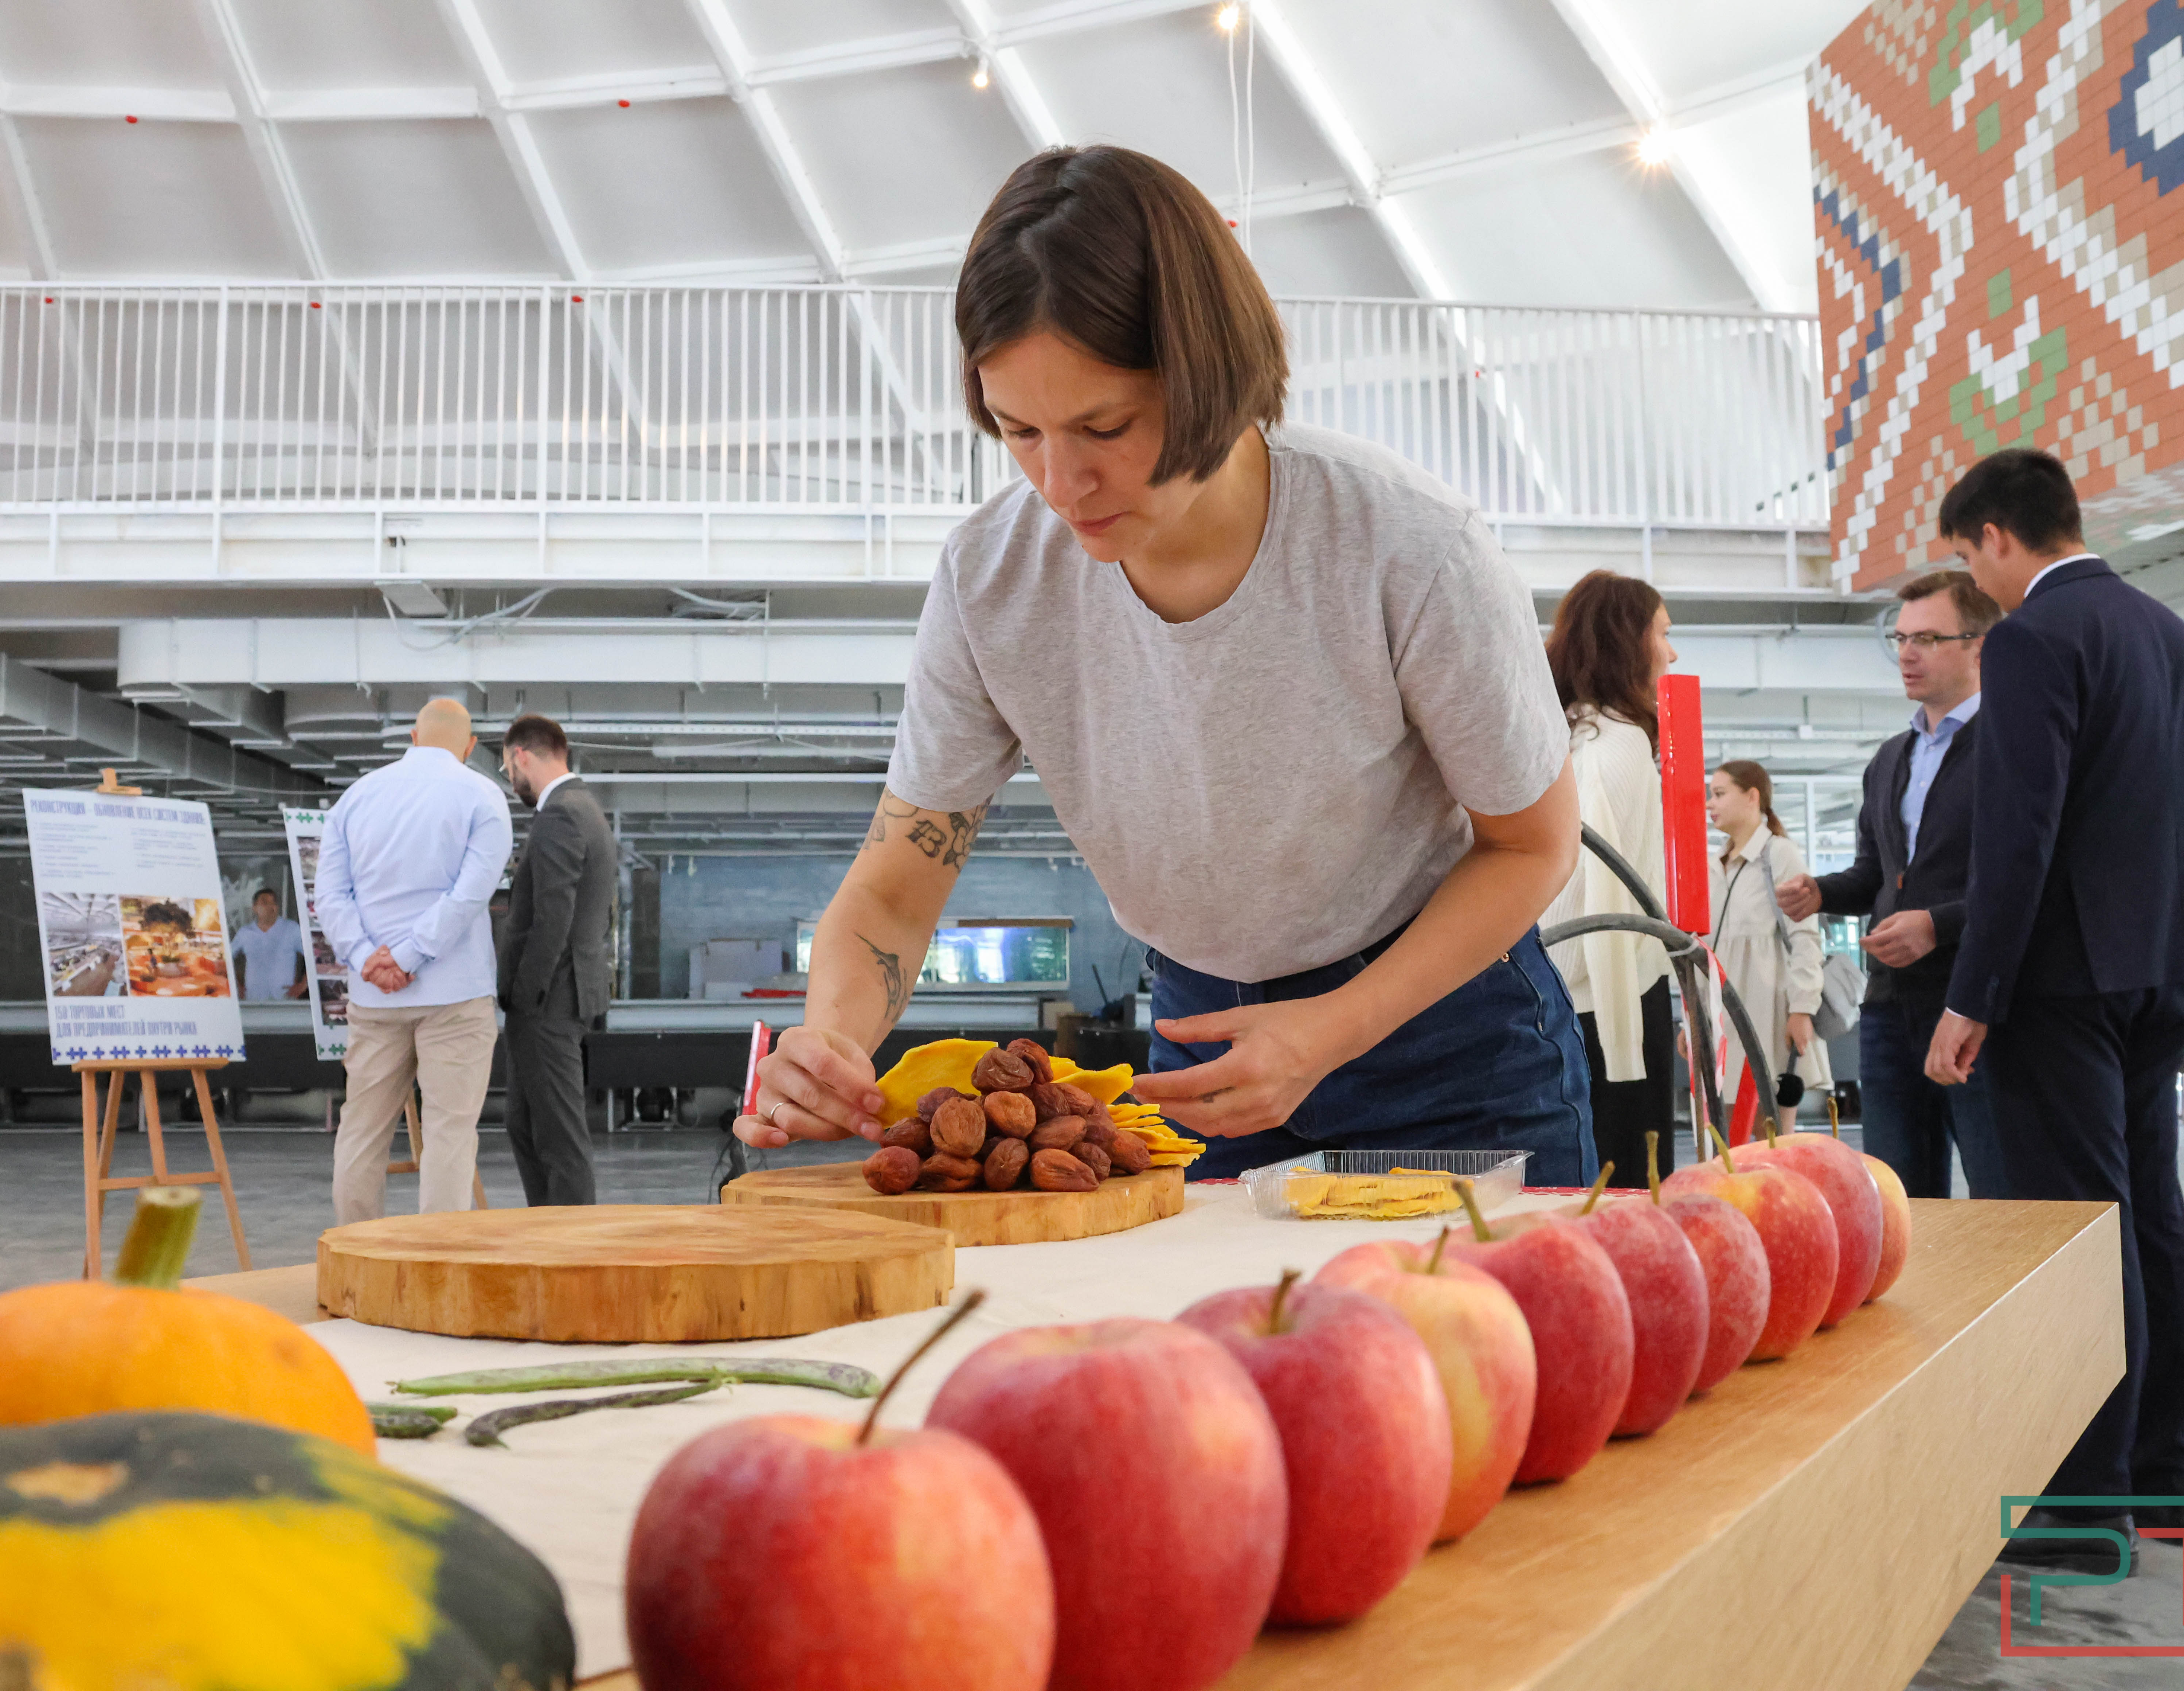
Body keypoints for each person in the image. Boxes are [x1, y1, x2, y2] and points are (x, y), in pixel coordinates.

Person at [729, 145, 1591, 1184]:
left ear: (1210, 374)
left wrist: (1326, 1034)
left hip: (1447, 1033)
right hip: (1201, 1035)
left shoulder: (1404, 543)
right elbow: (898, 889)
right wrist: (832, 1037)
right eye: (1018, 432)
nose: (1063, 481)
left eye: (1107, 426)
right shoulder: (991, 580)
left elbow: (1532, 847)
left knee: (1483, 1344)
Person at [1924, 447, 2184, 1564]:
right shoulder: (2175, 636)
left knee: (2078, 1231)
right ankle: (2164, 1482)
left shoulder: (2037, 639)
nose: (1975, 581)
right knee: (2150, 1218)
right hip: (2168, 965)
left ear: (1998, 537)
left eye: (1969, 556)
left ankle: (2084, 1509)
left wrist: (1974, 995)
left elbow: (2021, 834)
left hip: (2063, 981)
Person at [1774, 570, 2005, 1199]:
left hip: (1973, 1005)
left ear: (1980, 645)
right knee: (1899, 1199)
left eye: (1927, 638)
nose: (1907, 653)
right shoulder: (1891, 760)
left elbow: (2026, 883)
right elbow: (1877, 877)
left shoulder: (2012, 747)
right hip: (1889, 1009)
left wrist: (1938, 926)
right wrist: (1822, 893)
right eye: (1902, 638)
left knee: (2001, 1195)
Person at [314, 698, 512, 1225]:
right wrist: (409, 955)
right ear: (471, 748)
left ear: (412, 736)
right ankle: (439, 1265)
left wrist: (369, 959)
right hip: (456, 994)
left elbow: (330, 896)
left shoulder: (355, 798)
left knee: (361, 1130)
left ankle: (356, 1257)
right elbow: (470, 897)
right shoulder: (483, 797)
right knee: (449, 1134)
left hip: (374, 997)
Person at [1541, 571, 1678, 1187]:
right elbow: (1603, 902)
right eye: (1664, 635)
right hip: (1613, 1005)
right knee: (1630, 1192)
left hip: (1575, 1000)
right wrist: (1626, 1053)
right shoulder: (1616, 748)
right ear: (1632, 642)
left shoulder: (1570, 737)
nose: (1671, 653)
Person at [496, 714, 618, 1208]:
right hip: (564, 994)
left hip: (547, 1000)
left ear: (522, 755)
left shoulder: (561, 815)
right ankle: (546, 1233)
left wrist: (523, 998)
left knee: (560, 1138)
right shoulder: (586, 809)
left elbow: (553, 920)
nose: (512, 780)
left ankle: (572, 1250)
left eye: (508, 770)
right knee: (526, 1124)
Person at [1704, 759, 1831, 1136]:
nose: (1711, 804)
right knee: (1728, 1142)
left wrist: (1802, 1008)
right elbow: (1706, 950)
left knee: (1773, 1140)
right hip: (1725, 1018)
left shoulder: (1779, 854)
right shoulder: (1717, 865)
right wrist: (1694, 1019)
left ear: (1752, 797)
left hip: (1770, 1013)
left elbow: (1805, 935)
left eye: (1720, 794)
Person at [231, 887, 305, 1002]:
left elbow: (314, 959)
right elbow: (226, 960)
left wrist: (303, 986)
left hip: (285, 1002)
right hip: (253, 1002)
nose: (271, 907)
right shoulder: (245, 933)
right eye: (265, 903)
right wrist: (237, 987)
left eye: (274, 903)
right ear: (255, 908)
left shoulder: (292, 929)